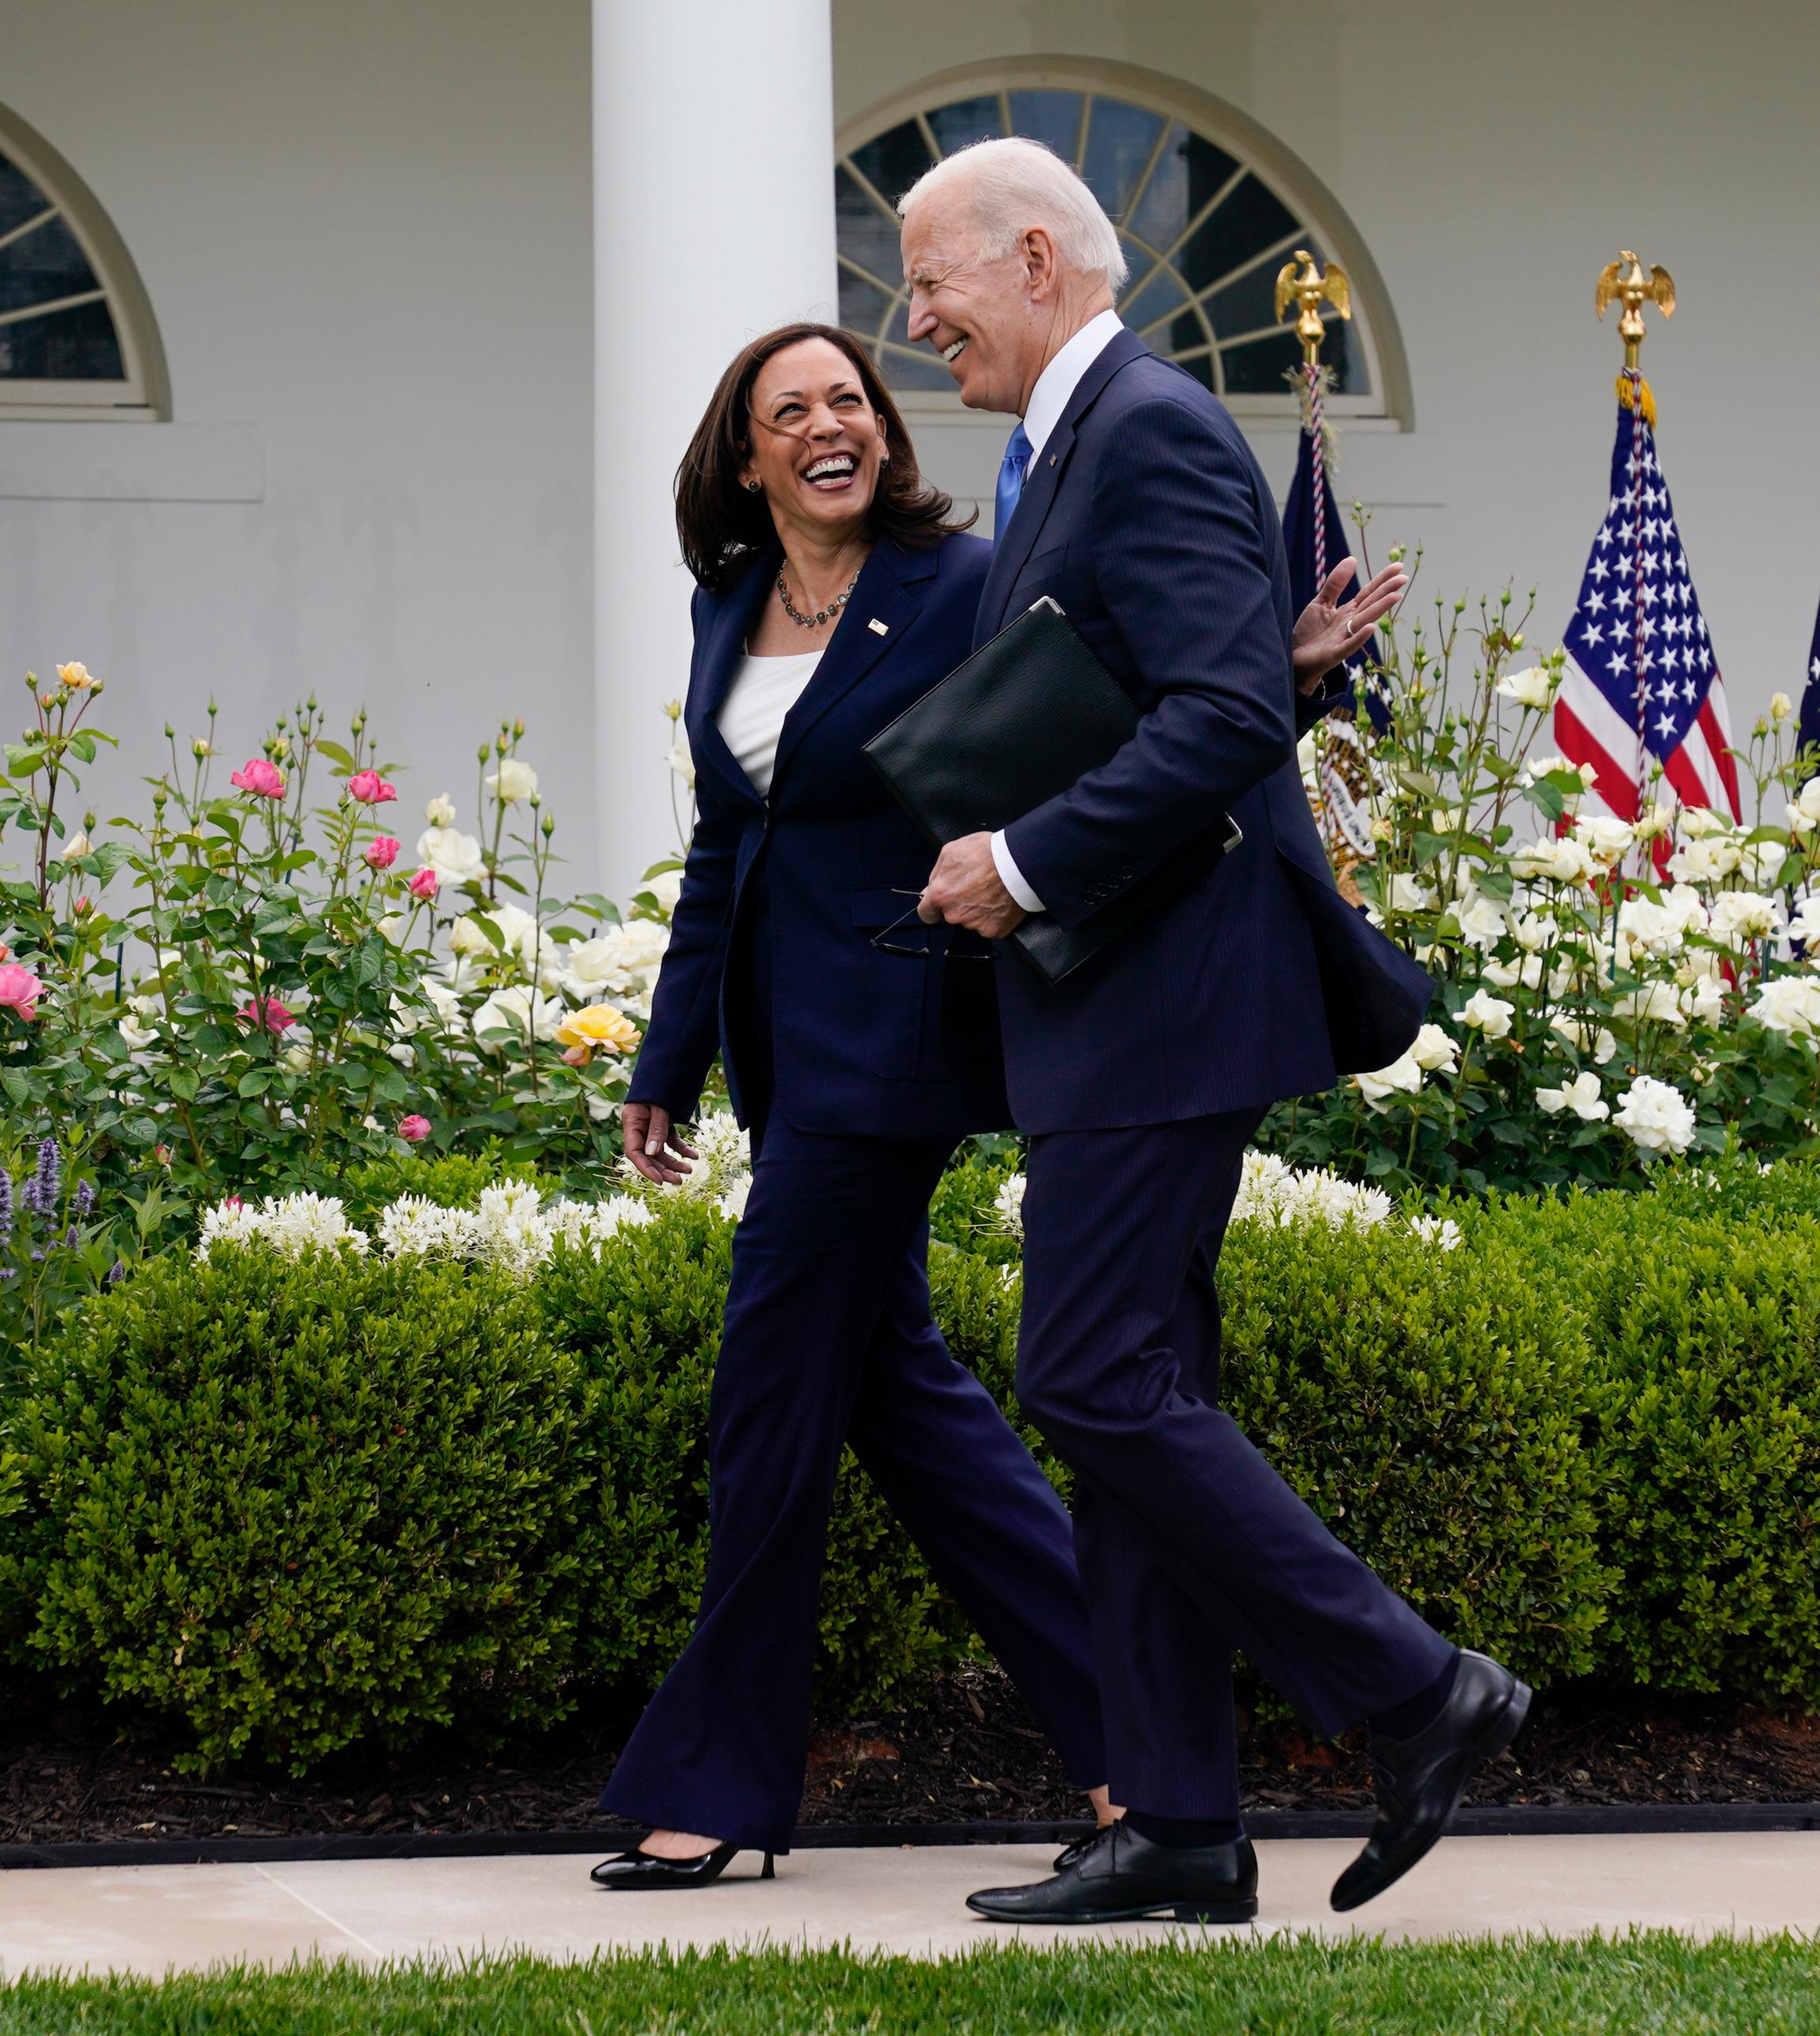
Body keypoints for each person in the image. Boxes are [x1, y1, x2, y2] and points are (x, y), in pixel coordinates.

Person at [898, 138, 1532, 1925]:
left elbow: (1216, 712)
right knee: (1127, 1395)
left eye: (932, 279)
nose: (917, 316)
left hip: (1162, 995)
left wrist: (1021, 858)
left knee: (1090, 1377)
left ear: (1038, 259)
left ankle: (1421, 1690)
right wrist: (1283, 661)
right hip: (1119, 998)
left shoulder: (1149, 424)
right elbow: (1196, 676)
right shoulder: (1078, 445)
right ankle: (1177, 1818)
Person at [588, 321, 1116, 1890]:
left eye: (850, 400)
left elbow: (1099, 722)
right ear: (746, 457)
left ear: (881, 431)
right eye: (790, 409)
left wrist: (1269, 666)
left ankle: (720, 1777)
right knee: (911, 1409)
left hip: (899, 1031)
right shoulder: (729, 607)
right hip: (784, 1045)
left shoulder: (962, 583)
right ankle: (1138, 1748)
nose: (831, 422)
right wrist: (666, 1057)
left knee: (769, 1399)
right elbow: (723, 851)